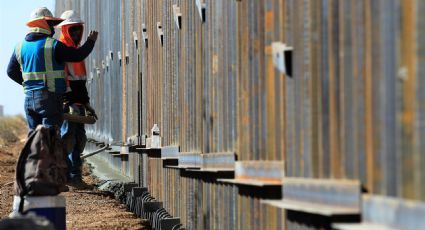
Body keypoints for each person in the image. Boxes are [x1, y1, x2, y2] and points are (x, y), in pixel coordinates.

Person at [6, 7, 98, 133]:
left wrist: (29, 84)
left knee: (35, 138)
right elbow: (77, 55)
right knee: (51, 138)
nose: (53, 28)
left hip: (29, 99)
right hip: (49, 100)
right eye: (51, 24)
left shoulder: (19, 46)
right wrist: (90, 42)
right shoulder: (52, 45)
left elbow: (11, 72)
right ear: (42, 23)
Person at [57, 10, 97, 183]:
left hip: (78, 103)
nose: (76, 33)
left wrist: (86, 103)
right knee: (68, 138)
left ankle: (75, 176)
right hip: (69, 103)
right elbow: (63, 80)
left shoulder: (74, 50)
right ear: (65, 30)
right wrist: (68, 102)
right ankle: (66, 176)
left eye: (78, 30)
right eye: (72, 30)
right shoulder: (62, 49)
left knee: (78, 140)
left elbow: (79, 82)